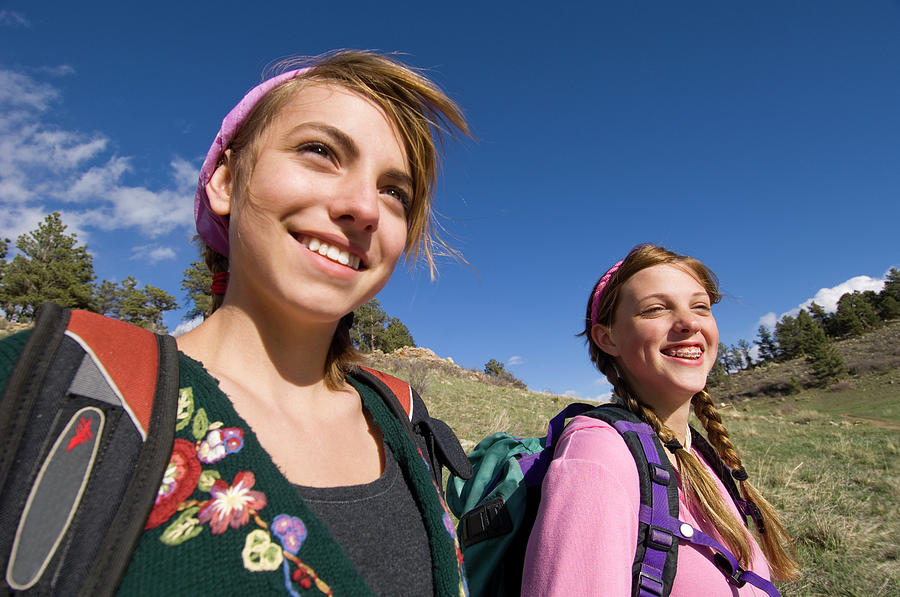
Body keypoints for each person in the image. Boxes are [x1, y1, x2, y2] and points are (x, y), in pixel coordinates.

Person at [0, 51, 471, 596]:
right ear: (224, 181)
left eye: (395, 192)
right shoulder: (51, 385)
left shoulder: (404, 419)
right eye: (320, 151)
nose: (365, 206)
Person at [521, 244, 799, 596]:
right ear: (607, 339)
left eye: (701, 307)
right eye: (656, 309)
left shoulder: (697, 453)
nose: (690, 323)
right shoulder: (597, 453)